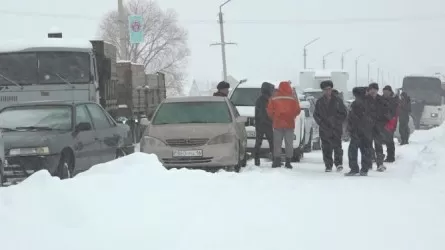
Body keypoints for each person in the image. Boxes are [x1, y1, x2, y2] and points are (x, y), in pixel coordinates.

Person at [313, 80, 348, 172]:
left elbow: (344, 113)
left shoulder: (338, 101)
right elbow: (316, 115)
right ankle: (328, 165)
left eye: (329, 89)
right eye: (325, 90)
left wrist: (336, 121)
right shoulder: (319, 102)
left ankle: (339, 163)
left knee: (337, 147)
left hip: (336, 128)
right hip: (324, 128)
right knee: (326, 147)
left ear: (331, 89)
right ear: (322, 91)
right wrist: (321, 123)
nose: (327, 91)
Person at [267, 81, 301, 169]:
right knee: (289, 144)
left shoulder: (274, 97)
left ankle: (276, 161)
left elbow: (269, 110)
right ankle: (288, 162)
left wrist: (274, 117)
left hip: (277, 123)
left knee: (277, 143)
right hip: (289, 124)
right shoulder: (293, 97)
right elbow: (298, 110)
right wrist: (292, 116)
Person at [345, 87, 373, 176]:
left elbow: (369, 117)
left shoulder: (364, 104)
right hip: (358, 131)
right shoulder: (357, 104)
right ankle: (360, 169)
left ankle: (360, 169)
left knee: (360, 150)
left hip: (362, 131)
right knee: (358, 150)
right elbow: (350, 117)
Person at [367, 83, 390, 172]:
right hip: (367, 127)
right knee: (367, 145)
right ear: (369, 90)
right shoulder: (365, 100)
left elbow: (387, 113)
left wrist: (383, 123)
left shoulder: (381, 100)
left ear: (377, 90)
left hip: (378, 126)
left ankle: (380, 163)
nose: (373, 91)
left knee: (378, 145)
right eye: (371, 89)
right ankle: (368, 163)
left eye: (375, 89)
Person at [254, 82, 275, 166]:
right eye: (271, 89)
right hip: (265, 124)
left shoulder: (260, 99)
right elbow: (262, 114)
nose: (272, 91)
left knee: (259, 142)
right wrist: (270, 121)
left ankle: (257, 159)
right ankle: (274, 159)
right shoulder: (266, 100)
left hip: (260, 124)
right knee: (271, 142)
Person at [382, 85, 399, 163]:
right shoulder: (381, 99)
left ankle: (391, 157)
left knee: (389, 140)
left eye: (386, 92)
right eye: (384, 92)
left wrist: (388, 116)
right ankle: (382, 155)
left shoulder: (393, 100)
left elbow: (394, 112)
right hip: (382, 122)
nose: (385, 93)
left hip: (390, 122)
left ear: (390, 92)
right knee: (382, 140)